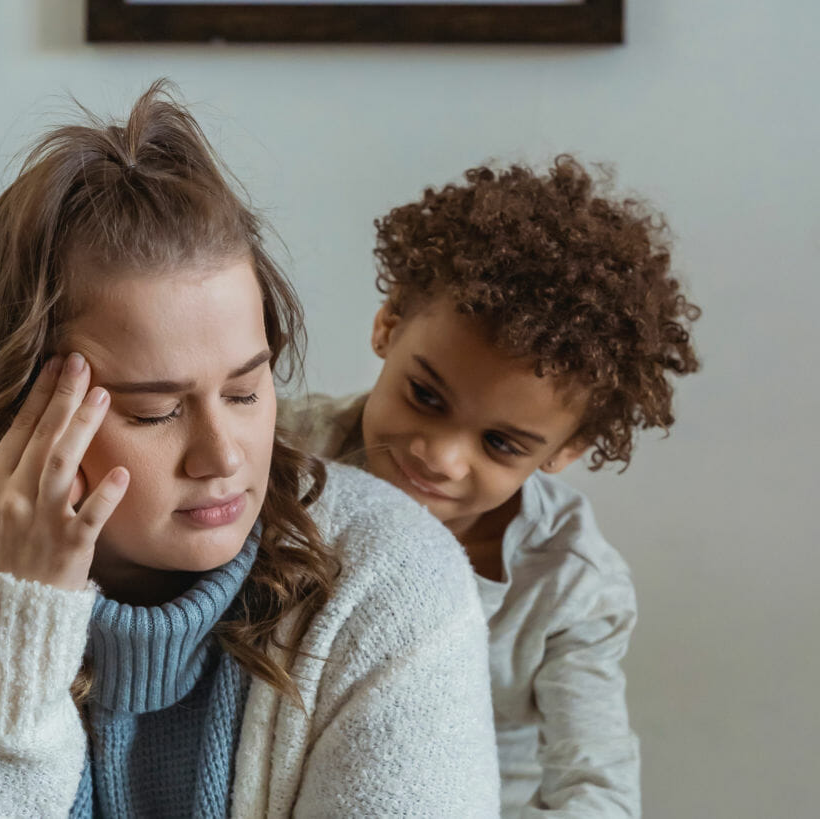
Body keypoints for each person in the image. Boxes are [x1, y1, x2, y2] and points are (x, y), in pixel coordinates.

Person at [0, 81, 500, 817]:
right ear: (16, 411)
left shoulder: (392, 585)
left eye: (245, 392)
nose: (222, 457)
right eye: (155, 410)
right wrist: (12, 631)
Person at [280, 158, 702, 817]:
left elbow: (596, 791)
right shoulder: (281, 452)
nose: (441, 457)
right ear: (388, 326)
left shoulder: (572, 584)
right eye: (424, 396)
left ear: (564, 451)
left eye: (500, 443)